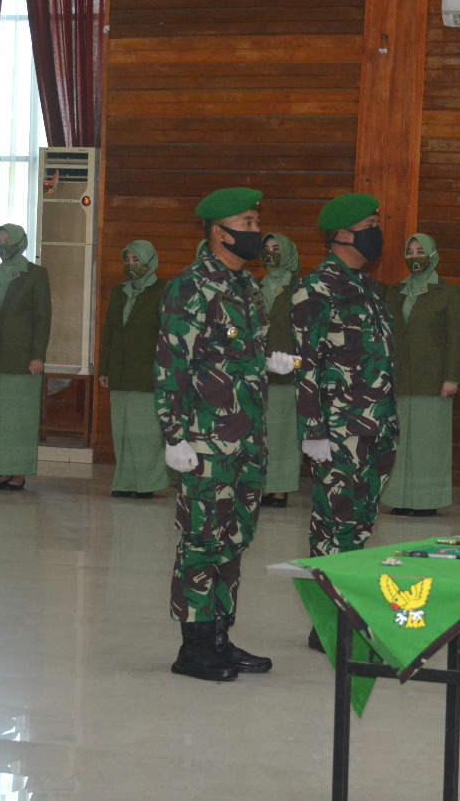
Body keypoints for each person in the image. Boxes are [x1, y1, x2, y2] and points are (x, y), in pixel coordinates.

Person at [155, 187, 295, 682]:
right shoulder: (191, 286)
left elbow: (234, 357)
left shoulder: (246, 287)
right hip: (205, 441)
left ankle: (219, 636)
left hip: (246, 439)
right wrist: (174, 436)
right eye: (249, 222)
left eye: (257, 222)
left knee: (233, 539)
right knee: (200, 540)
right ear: (220, 232)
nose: (257, 231)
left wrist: (269, 362)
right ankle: (192, 647)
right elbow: (172, 365)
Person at [291, 193, 399, 649]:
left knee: (358, 525)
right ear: (342, 234)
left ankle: (347, 613)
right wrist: (313, 431)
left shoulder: (369, 289)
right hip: (338, 431)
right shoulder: (314, 289)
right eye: (370, 223)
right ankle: (327, 621)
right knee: (333, 526)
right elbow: (305, 366)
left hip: (376, 426)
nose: (378, 231)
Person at [381, 233, 460, 516]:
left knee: (430, 444)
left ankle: (427, 500)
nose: (415, 256)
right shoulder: (394, 292)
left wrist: (452, 376)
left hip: (434, 379)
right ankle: (401, 499)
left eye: (421, 251)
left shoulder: (448, 293)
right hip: (400, 378)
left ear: (432, 255)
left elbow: (456, 339)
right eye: (411, 251)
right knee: (400, 442)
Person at [0, 224, 51, 490]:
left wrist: (38, 355)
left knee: (20, 419)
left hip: (23, 358)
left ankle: (19, 473)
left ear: (20, 242)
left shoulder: (36, 275)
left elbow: (42, 318)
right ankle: (1, 471)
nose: (4, 245)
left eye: (8, 240)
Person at [98, 240, 169, 498]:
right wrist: (104, 368)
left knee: (146, 433)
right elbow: (110, 331)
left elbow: (168, 336)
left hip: (147, 372)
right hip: (120, 371)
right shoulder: (119, 291)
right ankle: (125, 481)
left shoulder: (162, 290)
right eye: (127, 260)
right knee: (123, 431)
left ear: (149, 261)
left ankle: (147, 483)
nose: (131, 265)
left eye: (136, 260)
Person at [259, 233, 302, 508]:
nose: (270, 254)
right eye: (266, 249)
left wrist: (299, 364)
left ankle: (280, 488)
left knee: (284, 432)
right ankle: (262, 485)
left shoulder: (300, 288)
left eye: (276, 249)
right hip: (257, 372)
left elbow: (308, 332)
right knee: (261, 432)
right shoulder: (253, 286)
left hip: (288, 372)